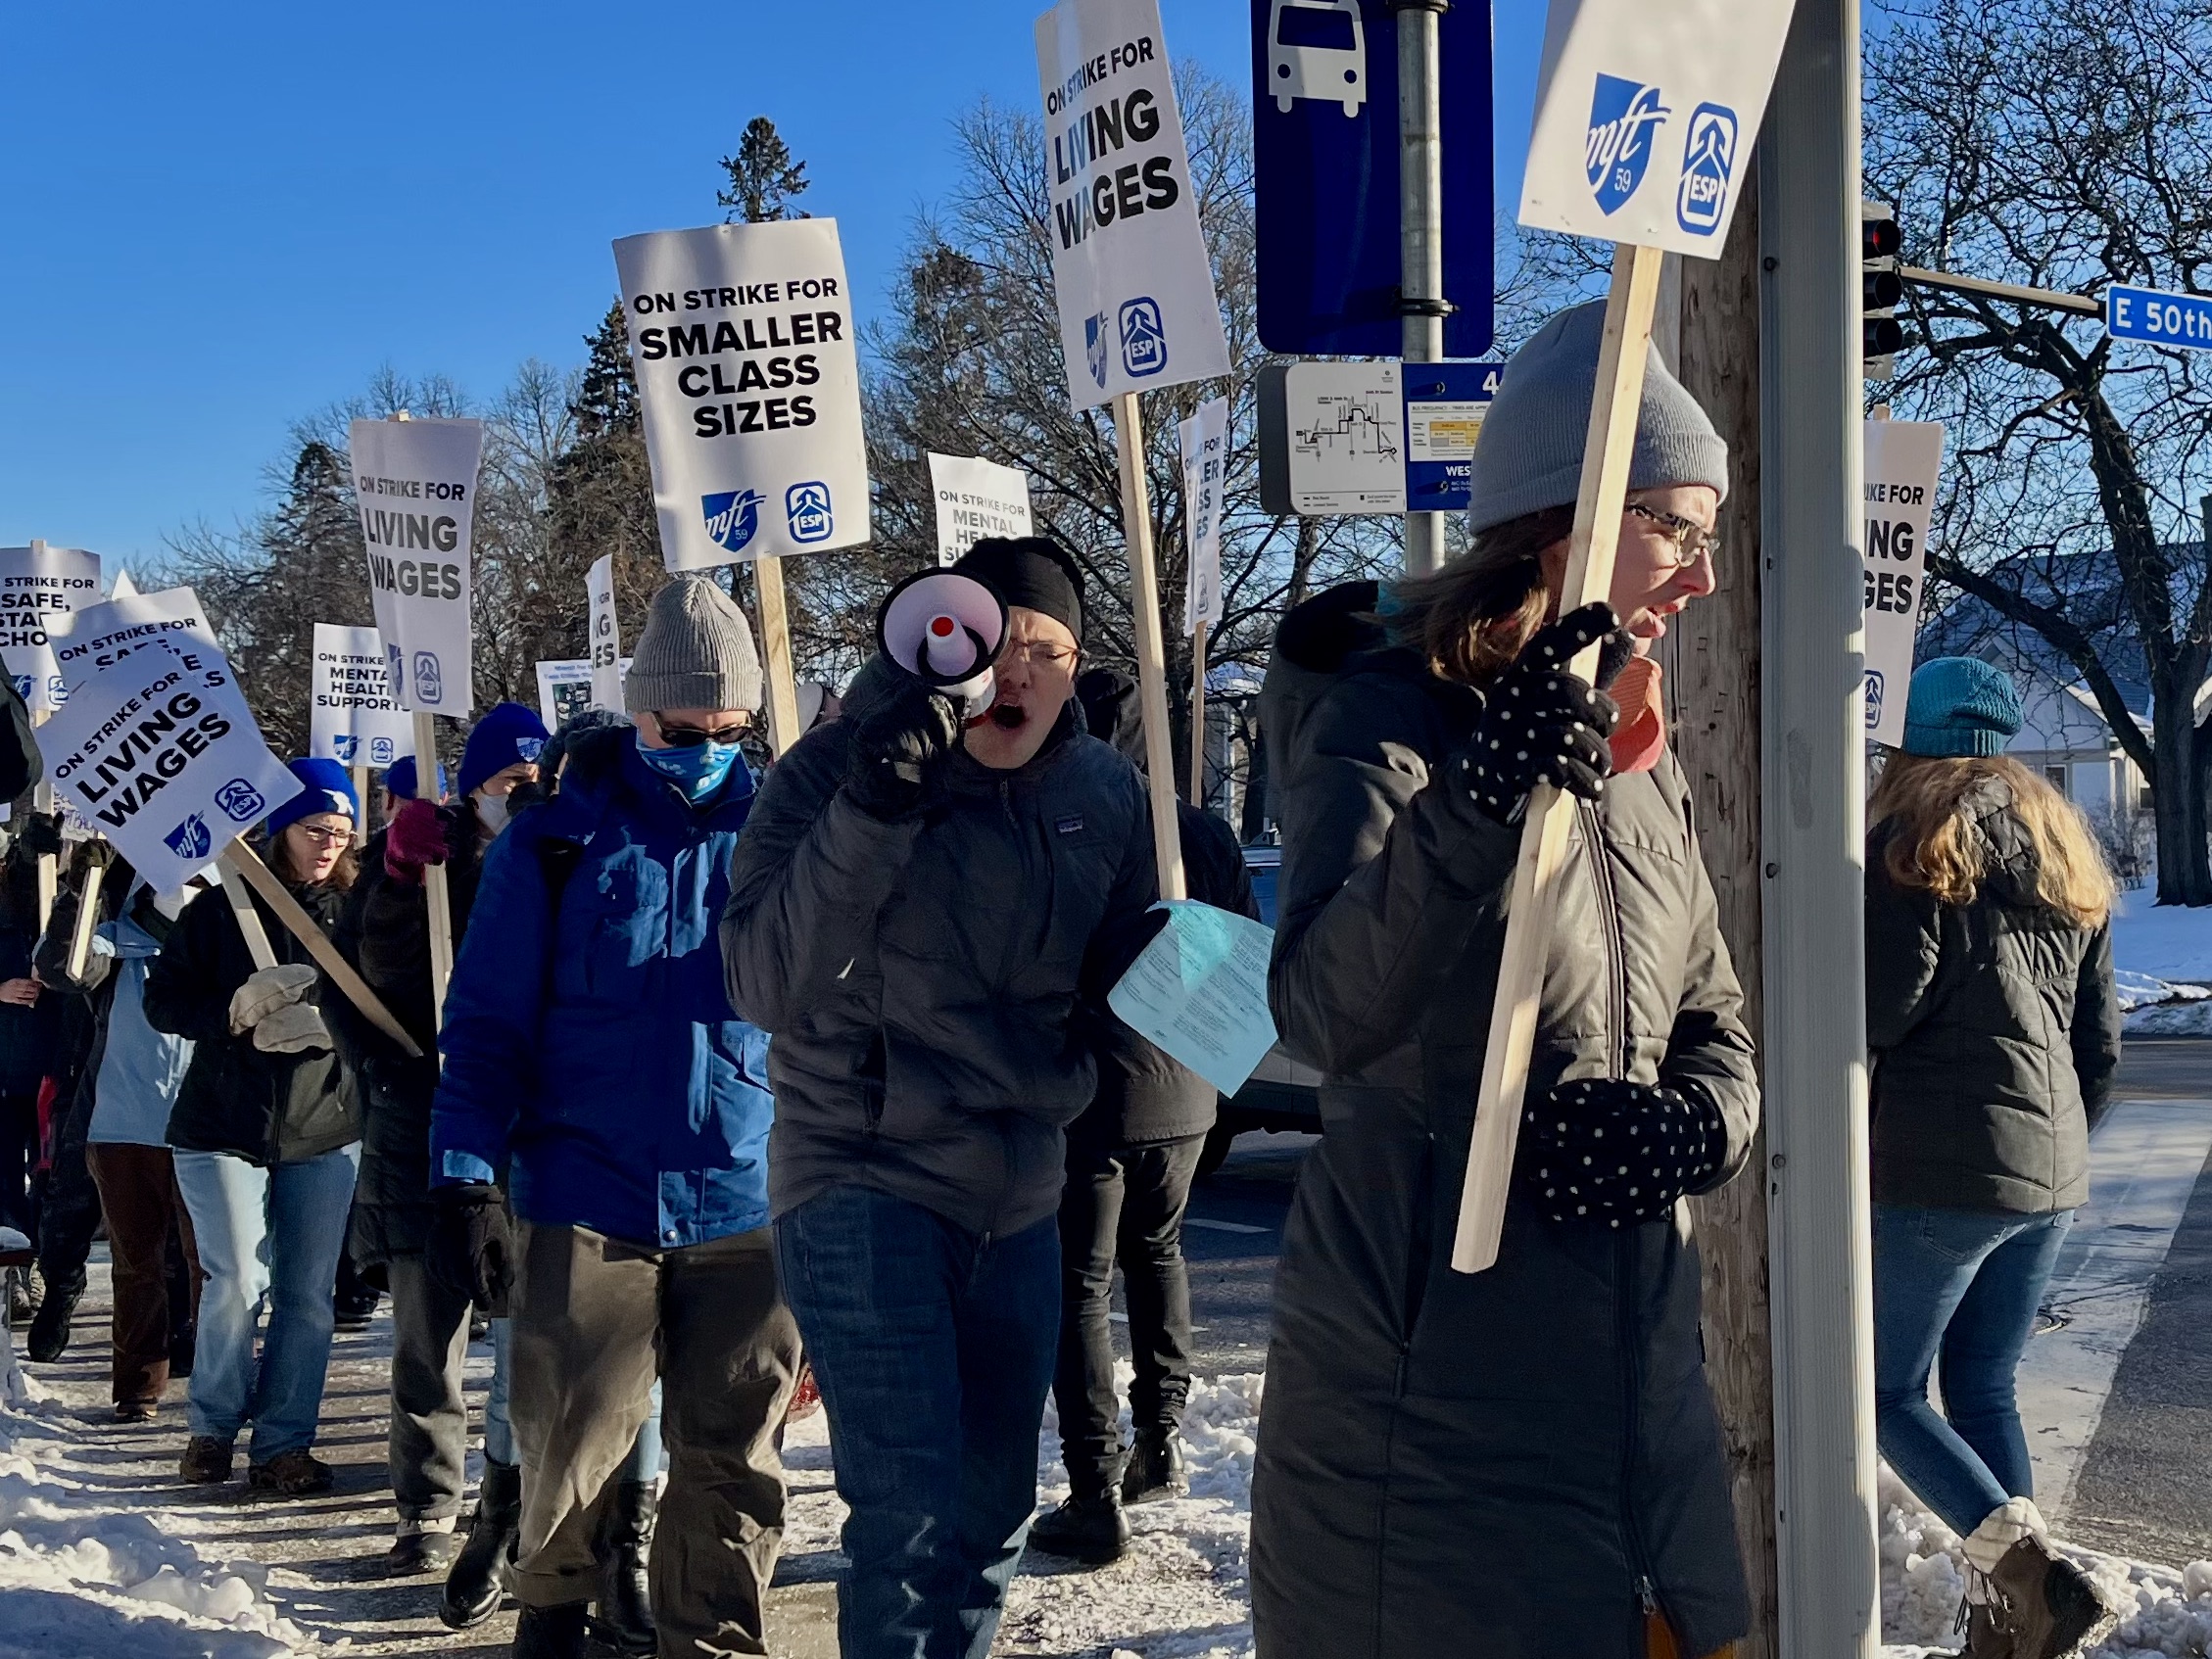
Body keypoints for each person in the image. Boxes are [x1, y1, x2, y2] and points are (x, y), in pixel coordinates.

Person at [1249, 301, 1759, 1659]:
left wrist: (1694, 1124)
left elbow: (1716, 1021)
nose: (1699, 575)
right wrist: (1474, 801)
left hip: (1631, 1378)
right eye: (1675, 524)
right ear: (1559, 515)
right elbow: (1323, 1011)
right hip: (1423, 1404)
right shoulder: (1386, 720)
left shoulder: (1642, 759)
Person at [723, 537, 1160, 1659]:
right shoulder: (825, 771)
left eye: (1047, 650)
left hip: (1016, 1185)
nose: (1018, 674)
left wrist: (1179, 967)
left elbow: (1121, 991)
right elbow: (764, 981)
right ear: (941, 647)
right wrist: (873, 809)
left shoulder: (1107, 792)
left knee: (991, 1510)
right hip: (859, 1170)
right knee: (911, 1509)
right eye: (997, 644)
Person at [430, 577, 794, 1659]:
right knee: (571, 1435)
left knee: (734, 1453)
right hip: (587, 1188)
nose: (707, 746)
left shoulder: (787, 831)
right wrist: (463, 1172)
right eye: (685, 728)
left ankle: (712, 1638)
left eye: (732, 730)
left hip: (748, 1190)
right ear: (640, 713)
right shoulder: (553, 840)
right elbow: (486, 1023)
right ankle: (552, 1608)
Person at [1866, 657, 2124, 1659]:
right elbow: (2096, 1045)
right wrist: (2050, 1144)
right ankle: (2013, 1614)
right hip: (2048, 1170)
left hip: (1942, 1170)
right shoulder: (2066, 849)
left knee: (1883, 1390)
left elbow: (1879, 1012)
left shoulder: (1913, 845)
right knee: (1981, 1385)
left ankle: (2027, 1583)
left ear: (1911, 745)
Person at [1029, 667, 1258, 1565]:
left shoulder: (1078, 826)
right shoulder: (1198, 831)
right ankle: (1160, 1439)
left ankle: (1096, 1484)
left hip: (1092, 1088)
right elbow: (1246, 952)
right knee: (1157, 1255)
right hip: (1185, 1090)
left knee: (1079, 1284)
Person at [338, 702, 545, 1580]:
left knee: (536, 1336)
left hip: (536, 1131)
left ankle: (524, 1496)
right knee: (431, 1338)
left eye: (540, 781)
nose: (526, 795)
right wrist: (394, 879)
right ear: (475, 787)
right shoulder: (424, 866)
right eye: (510, 782)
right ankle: (426, 1505)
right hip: (429, 1121)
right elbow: (372, 979)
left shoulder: (562, 857)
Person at [145, 759, 364, 1495]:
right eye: (314, 828)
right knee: (238, 1278)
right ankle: (210, 1429)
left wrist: (336, 1025)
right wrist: (233, 1014)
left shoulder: (362, 912)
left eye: (341, 830)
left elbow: (399, 1006)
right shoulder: (219, 910)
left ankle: (284, 1445)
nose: (329, 843)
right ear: (280, 831)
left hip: (324, 1128)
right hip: (220, 1127)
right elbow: (164, 1003)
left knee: (306, 1295)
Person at [30, 845, 204, 1418]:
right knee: (137, 1262)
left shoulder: (222, 940)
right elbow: (65, 967)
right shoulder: (115, 938)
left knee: (212, 1265)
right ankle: (137, 1387)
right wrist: (77, 896)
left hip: (206, 1123)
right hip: (122, 1120)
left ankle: (216, 1388)